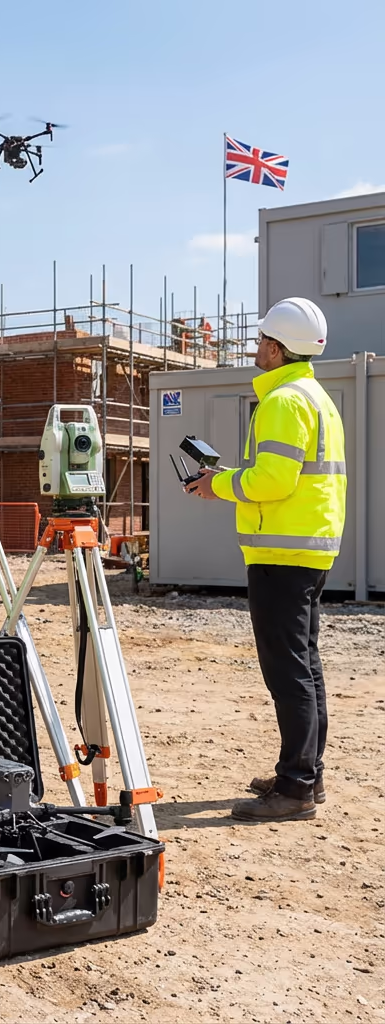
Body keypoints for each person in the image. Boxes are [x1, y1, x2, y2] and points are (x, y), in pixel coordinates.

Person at [184, 297, 345, 822]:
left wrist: (219, 485)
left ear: (277, 348)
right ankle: (306, 775)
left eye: (260, 341)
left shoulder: (283, 401)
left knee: (287, 670)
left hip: (283, 551)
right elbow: (283, 473)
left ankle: (295, 788)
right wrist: (233, 478)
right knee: (305, 664)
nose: (256, 348)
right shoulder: (315, 396)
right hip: (308, 547)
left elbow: (272, 481)